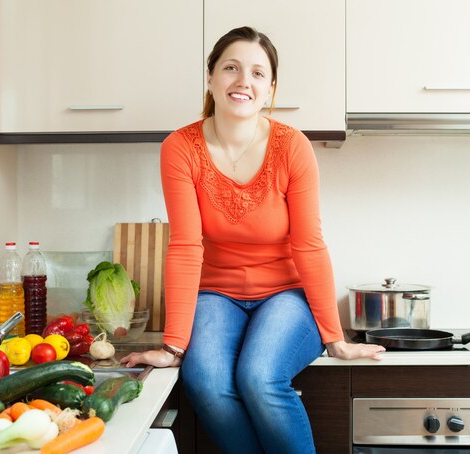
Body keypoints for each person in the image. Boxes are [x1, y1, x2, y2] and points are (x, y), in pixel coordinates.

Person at [120, 26, 385, 453]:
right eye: (231, 68)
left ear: (270, 89)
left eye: (258, 73)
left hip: (287, 293)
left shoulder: (291, 146)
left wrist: (336, 339)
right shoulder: (180, 148)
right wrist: (173, 346)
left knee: (259, 376)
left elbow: (309, 245)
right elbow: (186, 246)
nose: (244, 81)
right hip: (216, 293)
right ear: (210, 78)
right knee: (203, 380)